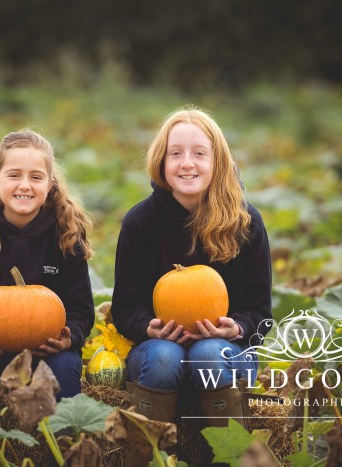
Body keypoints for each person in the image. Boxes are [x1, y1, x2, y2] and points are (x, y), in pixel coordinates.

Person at [111, 107, 272, 426]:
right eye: (176, 153)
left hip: (227, 349)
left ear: (217, 162)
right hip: (158, 349)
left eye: (199, 153)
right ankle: (148, 453)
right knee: (164, 356)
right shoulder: (140, 223)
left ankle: (229, 455)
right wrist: (148, 327)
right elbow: (125, 308)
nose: (187, 163)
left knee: (209, 353)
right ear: (161, 161)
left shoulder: (245, 223)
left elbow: (261, 314)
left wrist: (237, 327)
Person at [0, 130, 95, 400]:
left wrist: (69, 338)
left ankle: (60, 440)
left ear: (50, 184)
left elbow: (81, 310)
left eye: (36, 177)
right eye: (14, 175)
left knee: (64, 368)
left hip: (49, 355)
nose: (25, 185)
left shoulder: (66, 239)